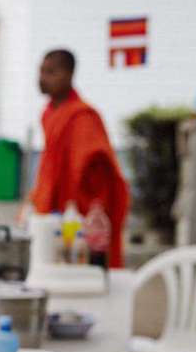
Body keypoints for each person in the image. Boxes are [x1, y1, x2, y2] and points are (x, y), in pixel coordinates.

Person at [30, 49, 129, 268]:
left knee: (83, 266)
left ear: (68, 74)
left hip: (80, 207)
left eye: (50, 72)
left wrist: (95, 209)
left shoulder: (83, 116)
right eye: (41, 71)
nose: (42, 78)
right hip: (52, 205)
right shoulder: (48, 112)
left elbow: (99, 167)